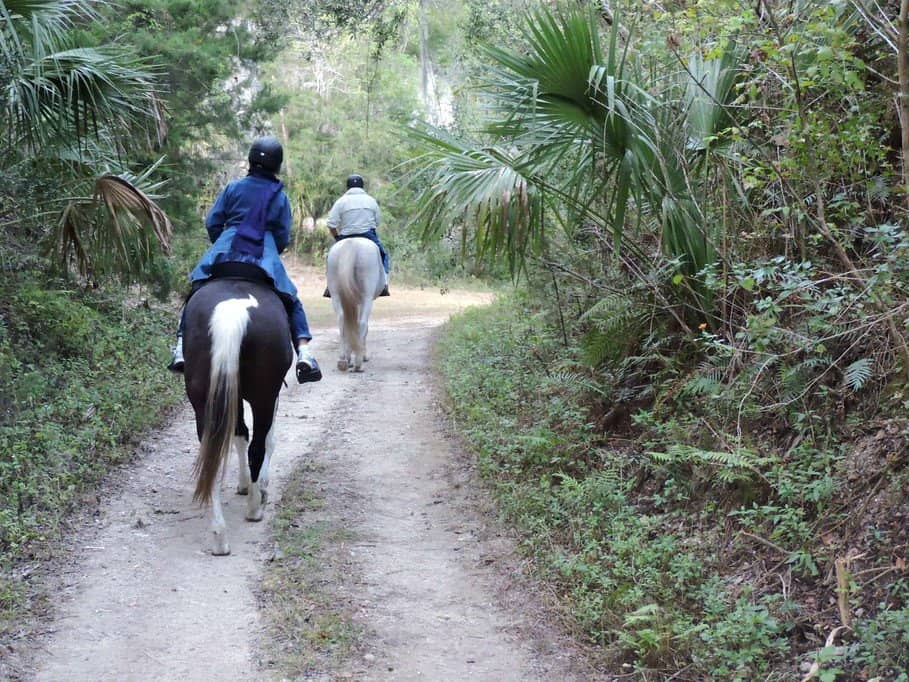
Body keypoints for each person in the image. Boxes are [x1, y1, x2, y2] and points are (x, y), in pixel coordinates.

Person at [168, 136, 322, 383]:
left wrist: (222, 242)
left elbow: (213, 221)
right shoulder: (280, 197)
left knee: (196, 290)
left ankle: (180, 346)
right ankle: (304, 353)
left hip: (225, 248)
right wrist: (271, 250)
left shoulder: (233, 188)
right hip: (263, 253)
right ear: (277, 165)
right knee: (291, 299)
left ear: (250, 160)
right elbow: (283, 234)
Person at [324, 173, 390, 297]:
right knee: (383, 255)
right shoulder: (371, 201)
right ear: (362, 186)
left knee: (330, 257)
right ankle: (384, 284)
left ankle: (330, 286)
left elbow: (331, 224)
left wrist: (337, 238)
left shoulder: (341, 201)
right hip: (368, 235)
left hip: (345, 235)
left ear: (347, 187)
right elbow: (377, 222)